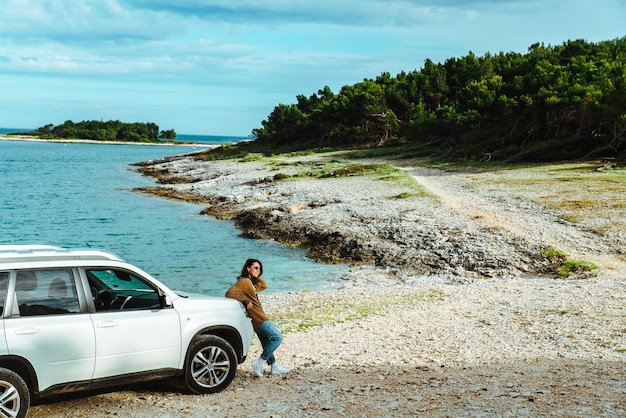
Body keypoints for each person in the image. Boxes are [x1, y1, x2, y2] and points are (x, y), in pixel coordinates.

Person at [225, 258, 290, 377]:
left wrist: (255, 275)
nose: (258, 271)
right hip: (258, 317)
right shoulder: (244, 282)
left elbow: (264, 285)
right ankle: (259, 362)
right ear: (247, 268)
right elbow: (229, 293)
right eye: (255, 267)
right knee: (277, 337)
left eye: (259, 269)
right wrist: (245, 301)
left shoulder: (250, 282)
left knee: (266, 342)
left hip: (256, 317)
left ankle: (274, 366)